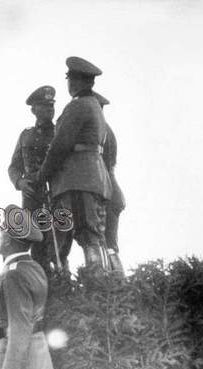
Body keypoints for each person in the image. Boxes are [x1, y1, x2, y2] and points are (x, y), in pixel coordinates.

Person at [34, 56, 113, 273]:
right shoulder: (95, 106)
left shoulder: (77, 107)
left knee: (62, 239)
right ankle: (99, 286)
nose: (68, 83)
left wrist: (42, 175)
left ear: (75, 81)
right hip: (93, 180)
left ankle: (63, 289)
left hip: (75, 182)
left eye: (70, 79)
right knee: (93, 238)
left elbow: (60, 146)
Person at [0, 204, 54, 369]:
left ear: (8, 240)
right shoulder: (34, 268)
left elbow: (19, 332)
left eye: (1, 233)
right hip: (37, 367)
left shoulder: (13, 274)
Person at [8, 86, 56, 274]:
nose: (49, 110)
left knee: (57, 244)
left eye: (51, 106)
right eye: (44, 106)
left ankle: (61, 284)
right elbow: (13, 166)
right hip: (31, 199)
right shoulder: (25, 135)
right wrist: (19, 183)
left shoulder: (60, 132)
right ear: (33, 109)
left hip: (54, 195)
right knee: (34, 244)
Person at [92, 91, 125, 274]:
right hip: (112, 191)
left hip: (106, 191)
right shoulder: (106, 129)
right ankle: (117, 285)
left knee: (105, 244)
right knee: (110, 245)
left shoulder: (100, 131)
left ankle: (113, 285)